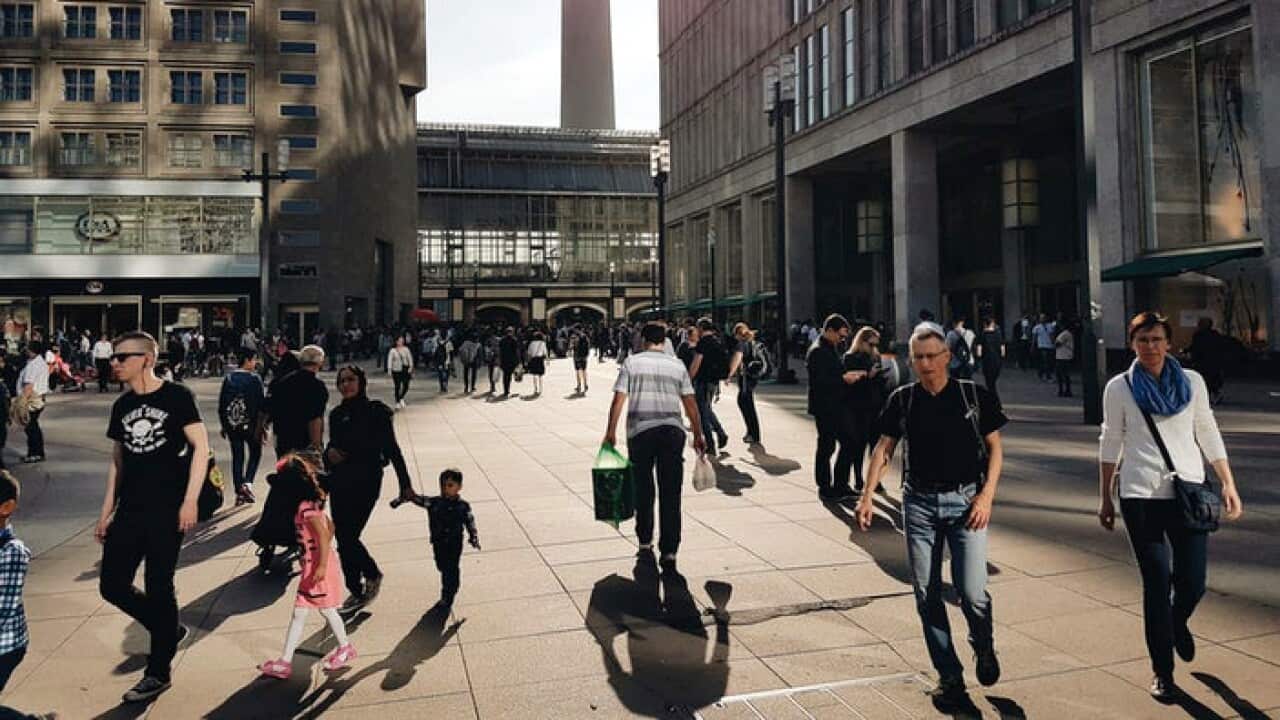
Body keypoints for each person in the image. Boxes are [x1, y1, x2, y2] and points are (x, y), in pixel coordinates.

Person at [855, 321, 1007, 708]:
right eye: (917, 357)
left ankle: (982, 642)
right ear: (911, 360)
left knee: (972, 593)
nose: (925, 364)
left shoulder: (973, 395)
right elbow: (884, 449)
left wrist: (986, 496)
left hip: (967, 503)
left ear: (947, 357)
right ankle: (950, 676)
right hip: (919, 505)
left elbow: (995, 449)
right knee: (926, 594)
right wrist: (868, 494)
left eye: (931, 356)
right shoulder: (903, 399)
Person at [1097, 311, 1243, 702]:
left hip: (1189, 494)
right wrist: (1105, 497)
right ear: (1131, 344)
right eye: (1142, 340)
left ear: (1169, 343)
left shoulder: (1192, 382)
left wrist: (1228, 481)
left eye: (1157, 339)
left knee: (1193, 582)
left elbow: (1207, 431)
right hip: (1140, 497)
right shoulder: (1120, 387)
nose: (1150, 347)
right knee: (1157, 584)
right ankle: (1162, 671)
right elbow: (1111, 441)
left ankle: (1177, 623)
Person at [96, 331, 210, 703]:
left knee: (160, 584)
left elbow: (201, 447)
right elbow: (118, 461)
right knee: (111, 585)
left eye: (122, 357)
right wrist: (105, 512)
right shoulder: (123, 405)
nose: (114, 363)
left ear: (146, 359)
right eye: (113, 357)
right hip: (130, 509)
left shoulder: (177, 397)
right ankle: (167, 629)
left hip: (167, 508)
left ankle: (158, 670)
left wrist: (190, 500)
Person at [603, 323, 705, 568]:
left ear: (643, 339)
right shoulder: (677, 364)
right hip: (672, 432)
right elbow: (690, 402)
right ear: (664, 340)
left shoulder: (632, 363)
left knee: (643, 488)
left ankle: (645, 539)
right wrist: (699, 434)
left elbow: (619, 398)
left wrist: (610, 432)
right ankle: (669, 550)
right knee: (671, 492)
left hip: (641, 432)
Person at [325, 365, 416, 612]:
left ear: (361, 382)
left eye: (351, 379)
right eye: (341, 381)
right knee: (343, 539)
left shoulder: (377, 412)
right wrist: (328, 454)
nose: (346, 385)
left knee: (348, 536)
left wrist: (405, 484)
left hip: (366, 481)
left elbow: (392, 450)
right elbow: (331, 447)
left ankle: (372, 574)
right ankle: (355, 590)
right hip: (340, 482)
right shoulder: (336, 415)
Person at [257, 454, 356, 679]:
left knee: (320, 610)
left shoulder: (305, 509)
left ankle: (343, 649)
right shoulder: (309, 505)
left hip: (317, 568)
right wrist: (320, 555)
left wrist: (320, 564)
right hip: (315, 565)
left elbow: (323, 533)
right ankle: (289, 660)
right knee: (311, 611)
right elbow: (329, 528)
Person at [391, 468, 480, 608]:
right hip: (438, 542)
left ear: (459, 487)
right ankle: (450, 582)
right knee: (441, 565)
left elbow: (469, 520)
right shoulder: (434, 502)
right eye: (443, 485)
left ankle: (448, 593)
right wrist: (409, 497)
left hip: (454, 542)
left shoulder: (463, 506)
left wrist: (473, 536)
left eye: (450, 485)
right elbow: (419, 500)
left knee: (450, 568)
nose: (445, 488)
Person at [806, 314, 859, 501]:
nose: (843, 339)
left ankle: (840, 485)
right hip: (826, 406)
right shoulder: (818, 350)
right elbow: (819, 381)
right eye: (841, 335)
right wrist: (843, 379)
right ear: (829, 330)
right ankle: (826, 487)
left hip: (836, 404)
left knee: (848, 443)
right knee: (827, 446)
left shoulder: (829, 348)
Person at [218, 351, 266, 505]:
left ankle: (239, 490)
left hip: (233, 424)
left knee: (237, 457)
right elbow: (261, 404)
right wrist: (262, 426)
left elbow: (222, 403)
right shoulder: (255, 379)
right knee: (255, 453)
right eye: (254, 360)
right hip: (251, 424)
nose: (255, 363)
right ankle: (247, 483)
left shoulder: (229, 378)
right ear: (247, 360)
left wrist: (224, 424)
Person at [842, 326, 885, 494]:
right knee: (859, 445)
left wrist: (880, 377)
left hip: (876, 405)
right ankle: (859, 479)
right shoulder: (850, 357)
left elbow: (880, 383)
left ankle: (875, 480)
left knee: (876, 446)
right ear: (862, 342)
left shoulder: (875, 356)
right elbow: (849, 384)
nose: (874, 347)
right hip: (859, 406)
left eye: (876, 344)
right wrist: (868, 375)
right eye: (871, 344)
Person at [688, 318, 730, 455]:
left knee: (703, 413)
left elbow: (696, 363)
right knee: (706, 409)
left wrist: (688, 379)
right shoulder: (718, 341)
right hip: (714, 382)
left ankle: (710, 444)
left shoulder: (703, 343)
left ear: (701, 328)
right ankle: (720, 433)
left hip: (703, 381)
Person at [727, 323, 763, 445]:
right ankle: (752, 433)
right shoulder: (751, 342)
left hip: (746, 378)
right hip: (751, 378)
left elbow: (737, 359)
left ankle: (753, 434)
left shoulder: (741, 344)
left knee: (745, 403)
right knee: (747, 403)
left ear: (738, 334)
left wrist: (729, 375)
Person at [16, 344, 48, 464]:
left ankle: (35, 453)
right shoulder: (38, 362)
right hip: (38, 398)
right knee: (33, 426)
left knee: (31, 428)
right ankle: (37, 452)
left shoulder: (33, 365)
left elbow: (28, 386)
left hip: (31, 399)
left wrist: (21, 402)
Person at [1186, 317, 1225, 405]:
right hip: (1213, 362)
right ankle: (1213, 394)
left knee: (1205, 379)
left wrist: (1189, 353)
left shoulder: (1198, 335)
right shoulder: (1215, 335)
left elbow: (1195, 347)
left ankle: (1208, 396)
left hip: (1202, 362)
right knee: (1212, 379)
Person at [975, 317, 1005, 401]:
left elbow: (979, 351)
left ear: (985, 324)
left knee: (989, 383)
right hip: (997, 361)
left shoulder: (982, 334)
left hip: (987, 361)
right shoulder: (998, 334)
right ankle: (993, 398)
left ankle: (994, 399)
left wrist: (978, 360)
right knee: (992, 382)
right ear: (992, 323)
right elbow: (1003, 350)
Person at [387, 336, 414, 409]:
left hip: (405, 370)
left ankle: (401, 397)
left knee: (406, 385)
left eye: (402, 340)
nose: (401, 342)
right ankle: (397, 401)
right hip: (396, 370)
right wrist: (389, 369)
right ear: (396, 342)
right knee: (397, 386)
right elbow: (390, 360)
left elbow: (409, 358)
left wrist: (411, 366)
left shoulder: (406, 349)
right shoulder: (393, 350)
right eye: (399, 340)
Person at [1054, 320, 1075, 397]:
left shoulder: (1064, 334)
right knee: (1066, 374)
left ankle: (1062, 390)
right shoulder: (1069, 334)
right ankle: (1067, 390)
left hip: (1062, 356)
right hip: (1066, 355)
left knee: (1060, 374)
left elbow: (1057, 344)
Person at [1033, 314, 1055, 382]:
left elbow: (1052, 335)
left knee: (1049, 361)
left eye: (1044, 318)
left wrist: (1053, 343)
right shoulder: (1037, 327)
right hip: (1042, 346)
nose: (1043, 319)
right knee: (1045, 361)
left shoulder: (1050, 326)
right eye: (1041, 318)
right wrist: (1033, 345)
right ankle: (1047, 376)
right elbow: (1034, 338)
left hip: (1049, 346)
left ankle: (1041, 373)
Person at [498, 327, 519, 397]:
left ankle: (506, 390)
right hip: (511, 360)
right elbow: (516, 352)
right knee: (509, 375)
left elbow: (500, 350)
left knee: (505, 375)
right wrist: (517, 361)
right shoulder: (514, 340)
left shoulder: (502, 340)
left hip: (504, 360)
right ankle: (507, 390)